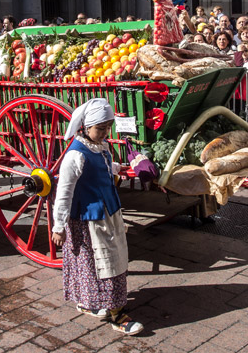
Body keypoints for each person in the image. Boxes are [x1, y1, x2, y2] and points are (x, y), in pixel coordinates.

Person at [51, 99, 143, 335]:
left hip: (108, 214)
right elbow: (64, 193)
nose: (104, 133)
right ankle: (117, 315)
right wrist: (58, 226)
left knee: (111, 261)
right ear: (85, 127)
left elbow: (102, 167)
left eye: (107, 128)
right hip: (88, 220)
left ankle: (96, 303)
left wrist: (117, 168)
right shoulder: (75, 155)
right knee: (104, 264)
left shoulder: (99, 148)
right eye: (100, 128)